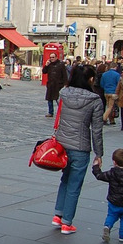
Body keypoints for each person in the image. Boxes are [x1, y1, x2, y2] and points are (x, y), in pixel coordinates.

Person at [51, 64, 104, 234]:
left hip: (62, 144)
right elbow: (96, 130)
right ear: (90, 79)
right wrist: (99, 153)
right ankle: (67, 222)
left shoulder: (63, 94)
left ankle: (58, 215)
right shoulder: (94, 100)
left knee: (65, 180)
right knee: (74, 184)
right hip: (80, 147)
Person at [91, 148, 123, 242]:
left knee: (111, 215)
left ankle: (107, 226)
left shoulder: (112, 173)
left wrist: (96, 166)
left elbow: (99, 176)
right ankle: (121, 236)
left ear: (114, 162)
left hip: (113, 201)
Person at [42, 52, 68, 117]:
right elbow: (44, 71)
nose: (52, 59)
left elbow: (64, 75)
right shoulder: (49, 64)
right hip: (50, 85)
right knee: (49, 99)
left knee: (58, 100)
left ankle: (61, 112)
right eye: (50, 57)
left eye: (53, 57)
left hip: (58, 85)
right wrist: (46, 65)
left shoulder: (61, 64)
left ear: (56, 57)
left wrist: (66, 84)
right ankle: (50, 112)